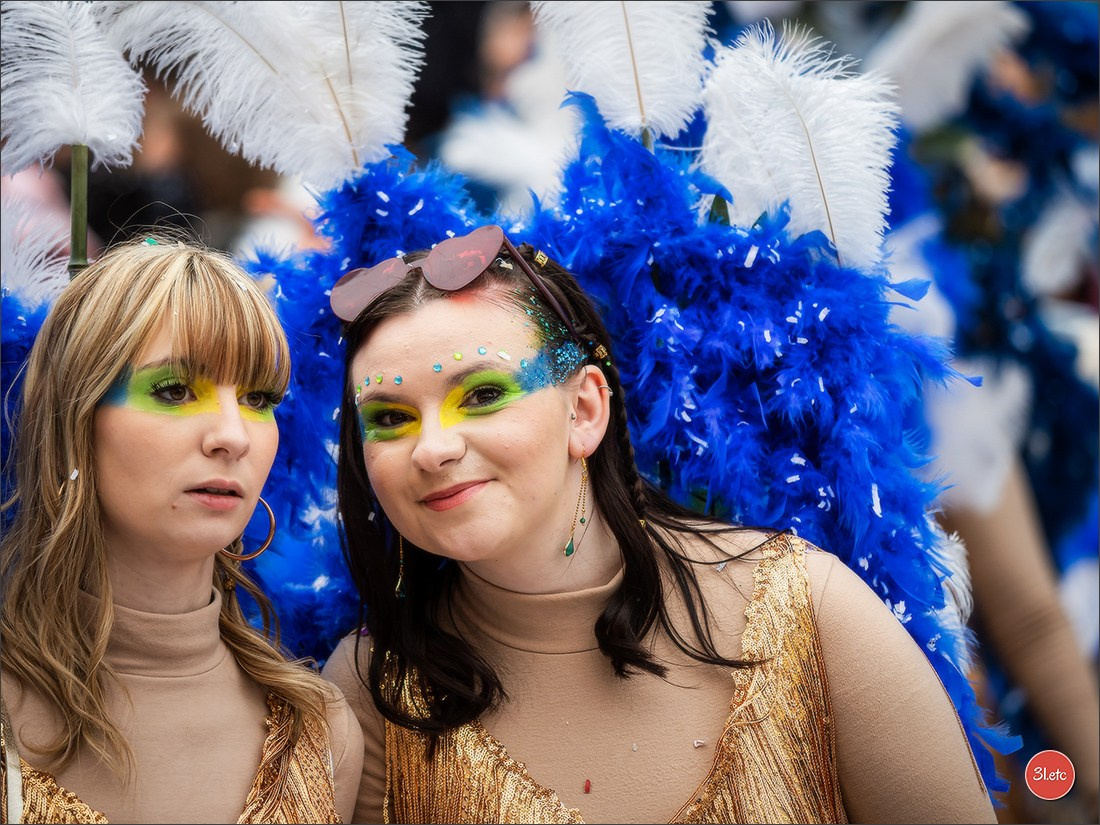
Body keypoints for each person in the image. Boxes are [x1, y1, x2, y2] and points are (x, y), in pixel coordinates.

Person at [320, 223, 998, 824]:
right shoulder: (372, 689)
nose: (432, 447)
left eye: (482, 394)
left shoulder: (803, 607)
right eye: (390, 418)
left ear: (585, 409)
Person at [0, 235, 363, 823]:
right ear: (75, 417)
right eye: (174, 390)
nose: (233, 435)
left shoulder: (319, 734)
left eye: (258, 397)